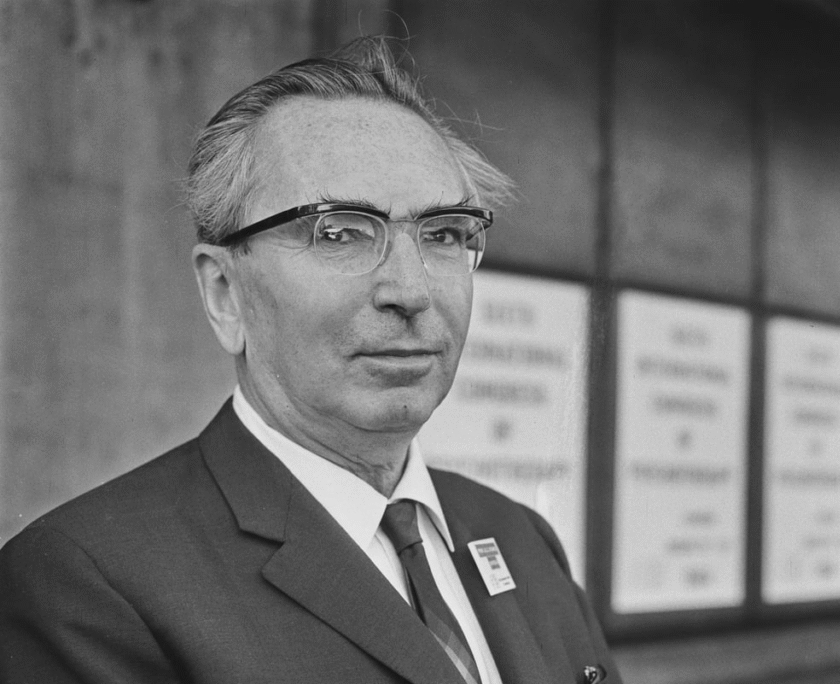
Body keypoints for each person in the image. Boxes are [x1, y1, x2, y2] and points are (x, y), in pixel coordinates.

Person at [0, 37, 620, 684]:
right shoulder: (91, 588)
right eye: (341, 231)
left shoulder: (520, 537)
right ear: (225, 293)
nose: (411, 290)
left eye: (442, 234)